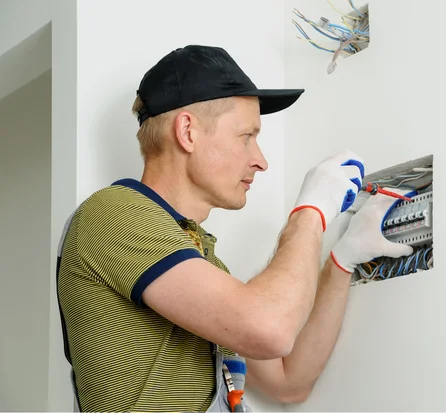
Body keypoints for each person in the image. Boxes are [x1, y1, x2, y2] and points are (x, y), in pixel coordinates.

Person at [56, 45, 413, 412]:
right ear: (188, 132)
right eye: (246, 136)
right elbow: (269, 328)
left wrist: (342, 259)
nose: (260, 161)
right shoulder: (115, 216)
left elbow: (290, 382)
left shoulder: (199, 263)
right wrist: (310, 212)